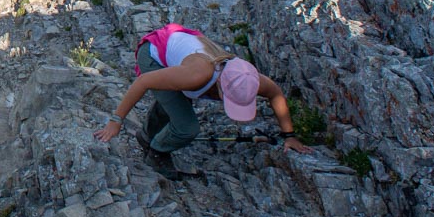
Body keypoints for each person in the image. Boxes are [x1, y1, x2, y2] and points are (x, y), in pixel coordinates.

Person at [94, 23, 311, 178]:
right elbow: (144, 82)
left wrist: (289, 136)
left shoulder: (247, 77)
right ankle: (157, 151)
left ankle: (148, 135)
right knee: (187, 127)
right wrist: (116, 121)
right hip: (153, 56)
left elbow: (276, 94)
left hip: (179, 53)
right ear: (220, 87)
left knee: (176, 99)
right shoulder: (197, 75)